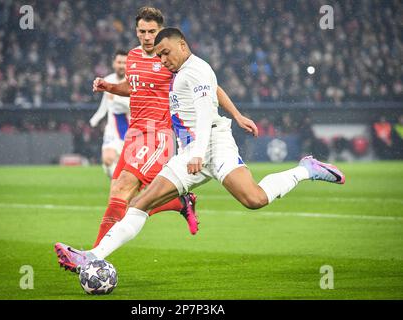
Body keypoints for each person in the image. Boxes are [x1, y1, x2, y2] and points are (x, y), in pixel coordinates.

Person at [55, 28, 346, 270]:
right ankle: (91, 257)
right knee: (141, 203)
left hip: (213, 146)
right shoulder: (181, 73)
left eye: (166, 52)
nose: (163, 59)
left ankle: (305, 169)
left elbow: (206, 114)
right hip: (189, 152)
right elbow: (214, 92)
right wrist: (237, 114)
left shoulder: (197, 70)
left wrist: (197, 152)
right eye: (159, 56)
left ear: (183, 45)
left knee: (254, 199)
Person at [55, 8, 258, 272]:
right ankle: (179, 202)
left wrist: (237, 114)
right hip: (134, 132)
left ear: (160, 31)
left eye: (152, 32)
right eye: (142, 32)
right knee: (123, 198)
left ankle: (90, 259)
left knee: (124, 190)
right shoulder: (133, 56)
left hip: (159, 133)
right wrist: (111, 87)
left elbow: (211, 86)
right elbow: (134, 86)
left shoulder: (170, 60)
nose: (147, 37)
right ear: (136, 32)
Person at [89, 50, 130, 179]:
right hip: (112, 128)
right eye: (119, 62)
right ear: (114, 63)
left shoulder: (132, 81)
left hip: (131, 129)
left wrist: (116, 98)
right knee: (107, 159)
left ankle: (122, 186)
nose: (121, 65)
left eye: (124, 62)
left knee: (131, 167)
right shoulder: (108, 80)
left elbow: (132, 105)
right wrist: (95, 119)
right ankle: (117, 183)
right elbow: (105, 104)